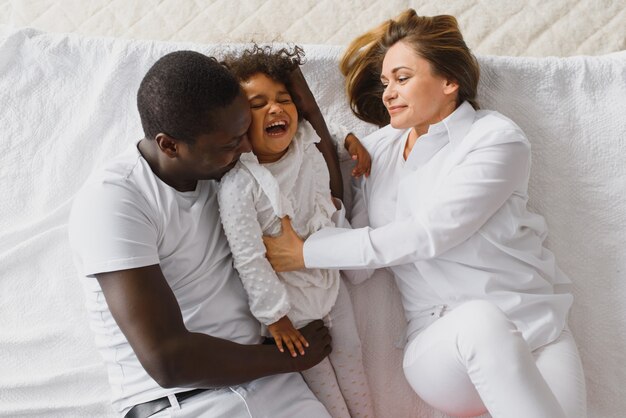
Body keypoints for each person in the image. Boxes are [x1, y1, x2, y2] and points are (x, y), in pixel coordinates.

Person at [263, 9, 587, 418]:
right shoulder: (377, 151)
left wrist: (306, 252)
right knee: (480, 322)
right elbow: (360, 268)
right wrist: (346, 158)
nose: (387, 94)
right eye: (385, 83)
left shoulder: (496, 140)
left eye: (402, 78)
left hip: (538, 334)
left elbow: (429, 233)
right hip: (441, 348)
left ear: (449, 81)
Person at [68, 50, 334, 418]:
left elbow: (322, 189)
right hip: (186, 402)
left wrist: (310, 107)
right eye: (230, 144)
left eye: (244, 134)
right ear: (169, 145)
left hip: (275, 385)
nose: (245, 149)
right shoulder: (115, 200)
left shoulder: (231, 175)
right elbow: (168, 362)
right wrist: (289, 357)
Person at [218, 45, 374, 418]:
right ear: (236, 123)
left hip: (329, 280)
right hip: (291, 304)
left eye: (283, 99)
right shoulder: (240, 184)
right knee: (319, 377)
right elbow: (248, 258)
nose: (274, 108)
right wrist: (275, 318)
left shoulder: (305, 140)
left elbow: (325, 134)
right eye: (257, 105)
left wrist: (349, 141)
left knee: (352, 356)